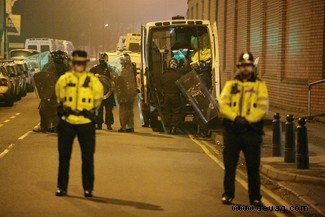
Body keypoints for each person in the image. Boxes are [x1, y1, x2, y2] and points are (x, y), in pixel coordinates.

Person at [219, 52, 269, 207]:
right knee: (230, 166)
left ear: (252, 67)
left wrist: (247, 120)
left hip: (251, 132)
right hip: (232, 132)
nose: (245, 68)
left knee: (253, 167)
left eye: (248, 65)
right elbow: (223, 104)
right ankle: (228, 194)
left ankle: (255, 197)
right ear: (238, 67)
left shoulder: (260, 85)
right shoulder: (230, 85)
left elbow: (263, 107)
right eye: (242, 65)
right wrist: (235, 118)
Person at [55, 50, 103, 198]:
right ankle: (61, 187)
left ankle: (88, 188)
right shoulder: (64, 79)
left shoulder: (93, 81)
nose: (79, 65)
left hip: (86, 122)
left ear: (85, 63)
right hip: (67, 122)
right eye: (76, 62)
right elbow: (59, 97)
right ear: (72, 63)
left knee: (87, 157)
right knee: (64, 157)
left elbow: (98, 99)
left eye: (81, 63)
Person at [90, 53, 115, 130]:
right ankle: (99, 124)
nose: (102, 62)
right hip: (98, 93)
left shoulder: (110, 69)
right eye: (101, 60)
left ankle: (109, 124)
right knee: (99, 109)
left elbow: (115, 78)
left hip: (109, 92)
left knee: (109, 109)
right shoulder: (94, 69)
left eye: (103, 60)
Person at [115, 54, 137, 133]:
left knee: (123, 111)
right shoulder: (132, 68)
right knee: (129, 111)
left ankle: (124, 127)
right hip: (131, 93)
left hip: (124, 94)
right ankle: (130, 126)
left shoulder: (124, 70)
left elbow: (121, 81)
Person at [161, 58, 183, 134]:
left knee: (167, 111)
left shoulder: (164, 75)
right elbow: (182, 86)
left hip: (166, 96)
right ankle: (174, 127)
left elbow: (161, 85)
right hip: (175, 95)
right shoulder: (179, 75)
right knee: (176, 111)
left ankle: (167, 128)